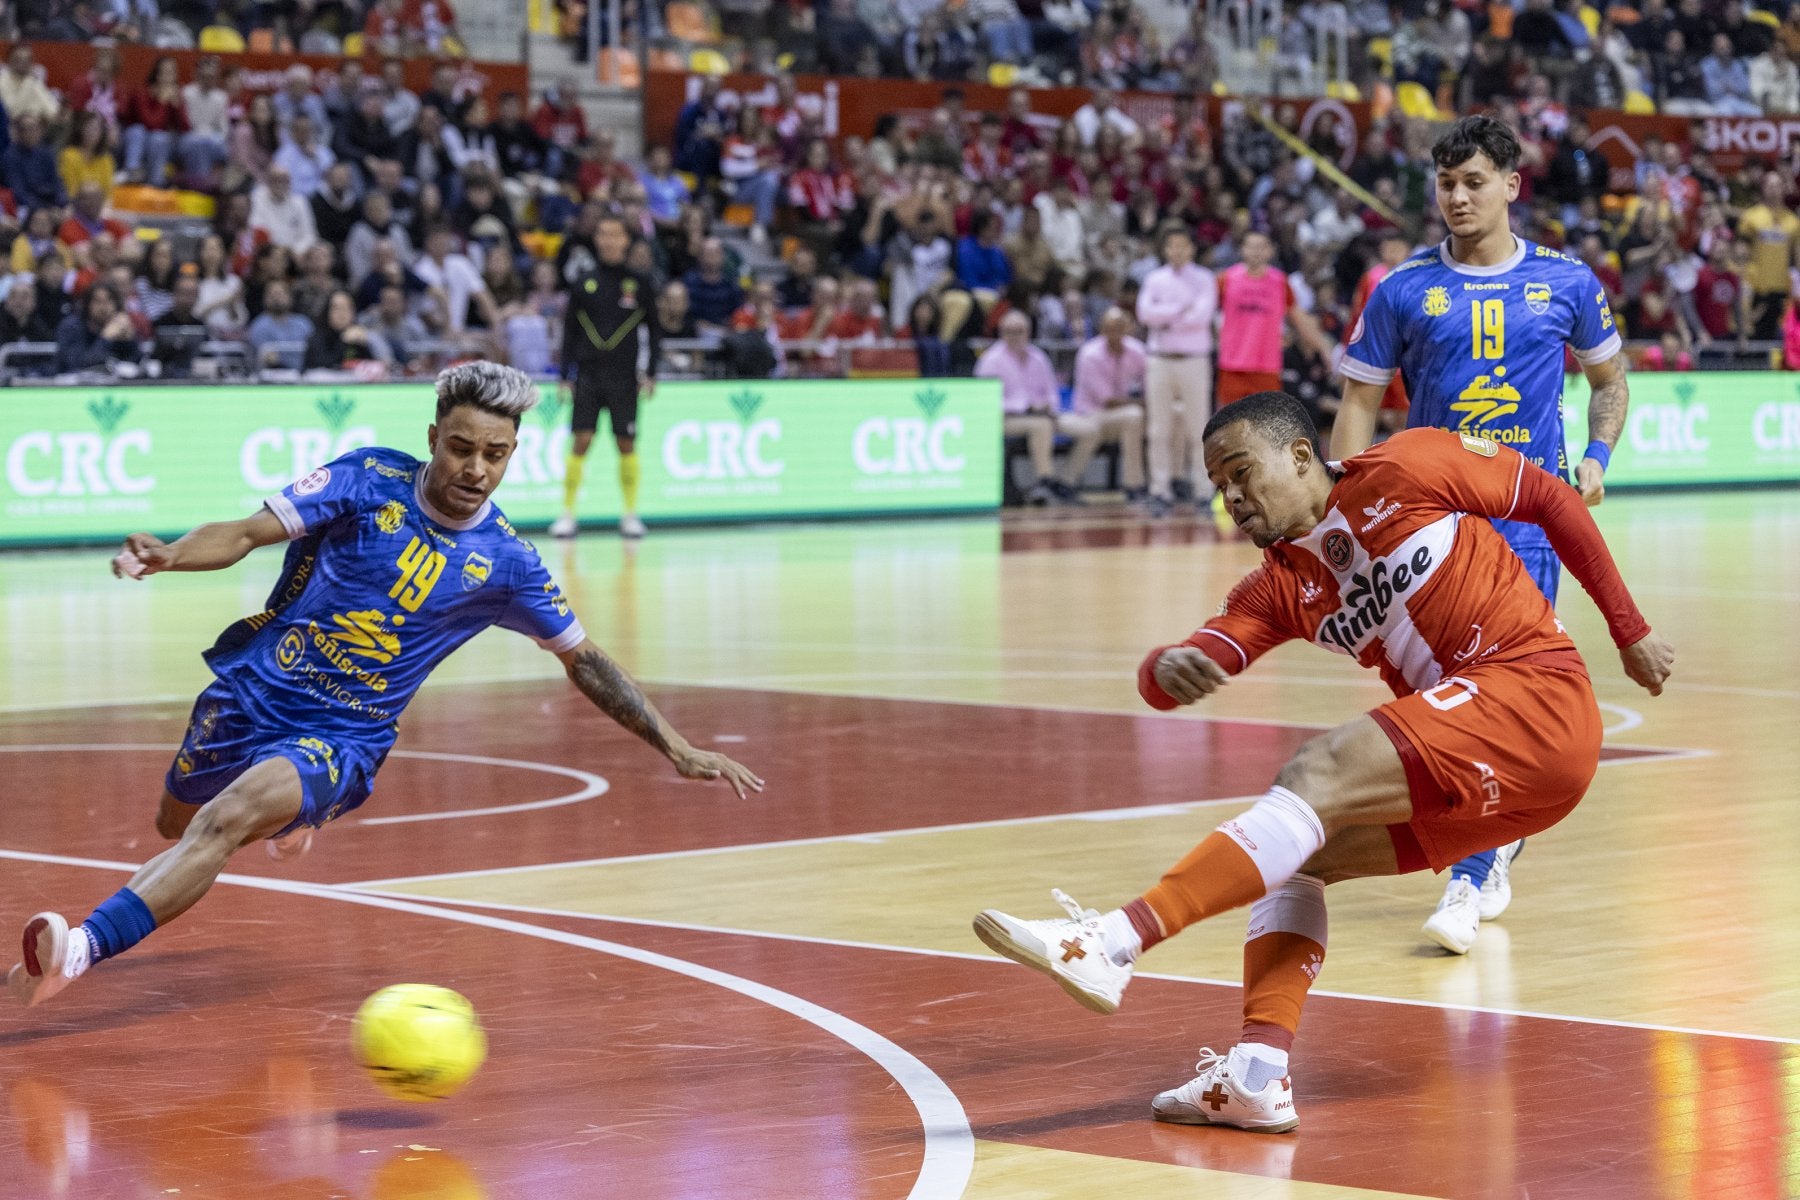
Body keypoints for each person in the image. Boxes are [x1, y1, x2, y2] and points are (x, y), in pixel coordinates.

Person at [973, 391, 1674, 1132]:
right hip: (1505, 779)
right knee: (1299, 859)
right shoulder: (1278, 586)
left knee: (1315, 773)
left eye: (1242, 473)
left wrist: (1629, 632)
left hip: (1534, 695)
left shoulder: (1408, 464)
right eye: (1220, 487)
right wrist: (1168, 665)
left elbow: (1551, 500)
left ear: (1301, 455)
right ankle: (1257, 1076)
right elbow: (1177, 672)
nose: (1233, 497)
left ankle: (1111, 942)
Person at [9, 364, 761, 1009]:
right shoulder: (367, 479)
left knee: (225, 820)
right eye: (462, 448)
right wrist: (170, 555)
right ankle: (290, 819)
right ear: (432, 437)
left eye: (495, 455)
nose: (475, 469)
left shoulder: (507, 564)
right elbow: (244, 533)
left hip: (346, 733)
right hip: (254, 688)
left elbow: (584, 659)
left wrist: (676, 744)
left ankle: (76, 952)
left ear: (512, 455)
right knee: (174, 823)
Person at [1333, 115, 1632, 954]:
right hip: (1432, 524)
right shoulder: (1401, 288)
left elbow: (1610, 381)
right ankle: (1489, 844)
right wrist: (1344, 513)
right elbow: (1358, 405)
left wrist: (1599, 456)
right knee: (1446, 701)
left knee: (1501, 700)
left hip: (1530, 524)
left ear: (1511, 185)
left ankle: (1469, 876)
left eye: (1472, 183)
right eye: (1445, 184)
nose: (1456, 198)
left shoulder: (1567, 282)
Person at [553, 216, 661, 541]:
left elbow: (654, 331)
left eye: (616, 234)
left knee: (625, 442)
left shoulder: (640, 284)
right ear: (596, 239)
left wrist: (651, 371)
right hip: (588, 374)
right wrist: (564, 376)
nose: (609, 240)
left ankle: (630, 514)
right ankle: (568, 514)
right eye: (603, 234)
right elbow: (570, 332)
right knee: (581, 440)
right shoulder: (583, 281)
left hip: (624, 376)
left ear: (627, 240)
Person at [1135, 226, 1218, 516]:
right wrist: (1180, 310)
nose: (1177, 251)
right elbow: (1145, 314)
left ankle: (1202, 491)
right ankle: (1160, 490)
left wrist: (1165, 317)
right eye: (1171, 245)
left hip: (1194, 359)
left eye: (1182, 245)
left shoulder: (1205, 279)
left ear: (1192, 249)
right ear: (1165, 249)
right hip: (1159, 359)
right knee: (1159, 428)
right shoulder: (1154, 278)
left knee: (1199, 428)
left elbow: (1202, 316)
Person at [974, 309, 1064, 505]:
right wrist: (1025, 406)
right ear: (1001, 333)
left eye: (1019, 331)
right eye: (1009, 331)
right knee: (1041, 426)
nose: (1014, 336)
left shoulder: (1038, 357)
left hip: (1042, 416)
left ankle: (1067, 482)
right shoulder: (991, 360)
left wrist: (1049, 406)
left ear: (1028, 332)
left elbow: (1052, 391)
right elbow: (985, 401)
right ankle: (1045, 480)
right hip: (1001, 420)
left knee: (1088, 428)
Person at [1065, 307, 1148, 500]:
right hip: (1090, 414)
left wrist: (1150, 403)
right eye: (1110, 327)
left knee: (1169, 414)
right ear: (1102, 329)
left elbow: (1150, 386)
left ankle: (1168, 484)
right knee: (1134, 415)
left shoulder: (1137, 350)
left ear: (1128, 328)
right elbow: (1108, 401)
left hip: (1120, 416)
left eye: (1120, 327)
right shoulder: (1090, 354)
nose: (1116, 332)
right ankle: (1133, 485)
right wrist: (1145, 403)